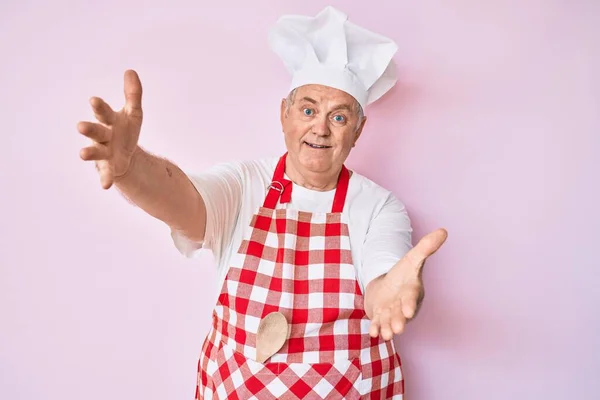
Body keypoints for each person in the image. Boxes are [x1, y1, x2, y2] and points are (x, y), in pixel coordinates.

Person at [77, 6, 447, 399]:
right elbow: (181, 201)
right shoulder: (243, 184)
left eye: (339, 117)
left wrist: (393, 296)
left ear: (358, 130)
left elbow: (383, 283)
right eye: (307, 110)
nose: (319, 128)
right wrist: (132, 168)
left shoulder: (378, 207)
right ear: (284, 114)